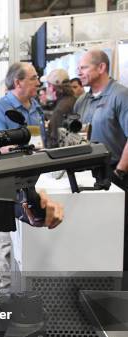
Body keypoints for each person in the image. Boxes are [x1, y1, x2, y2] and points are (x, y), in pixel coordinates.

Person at [0, 62, 56, 291]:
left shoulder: (35, 106)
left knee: (29, 234)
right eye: (34, 78)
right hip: (7, 180)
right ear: (18, 82)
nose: (39, 81)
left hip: (35, 178)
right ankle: (5, 288)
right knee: (5, 237)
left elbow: (40, 140)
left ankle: (27, 287)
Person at [74, 49, 128, 269]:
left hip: (116, 173)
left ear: (101, 68)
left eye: (84, 67)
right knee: (95, 234)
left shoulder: (120, 95)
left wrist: (120, 173)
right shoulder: (82, 101)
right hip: (88, 175)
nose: (79, 72)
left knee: (119, 237)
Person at [44, 69, 77, 148]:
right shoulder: (74, 100)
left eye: (48, 85)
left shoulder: (61, 109)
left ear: (53, 87)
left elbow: (55, 140)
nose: (47, 89)